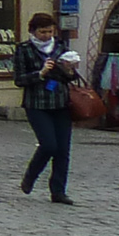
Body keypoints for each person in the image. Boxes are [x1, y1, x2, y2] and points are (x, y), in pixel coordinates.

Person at [12, 12, 78, 205]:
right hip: (37, 104)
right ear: (33, 31)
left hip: (61, 103)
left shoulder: (60, 47)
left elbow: (71, 78)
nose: (47, 35)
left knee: (63, 150)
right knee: (49, 145)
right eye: (42, 32)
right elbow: (19, 79)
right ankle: (31, 176)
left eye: (50, 31)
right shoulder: (24, 50)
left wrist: (69, 70)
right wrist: (40, 73)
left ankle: (58, 191)